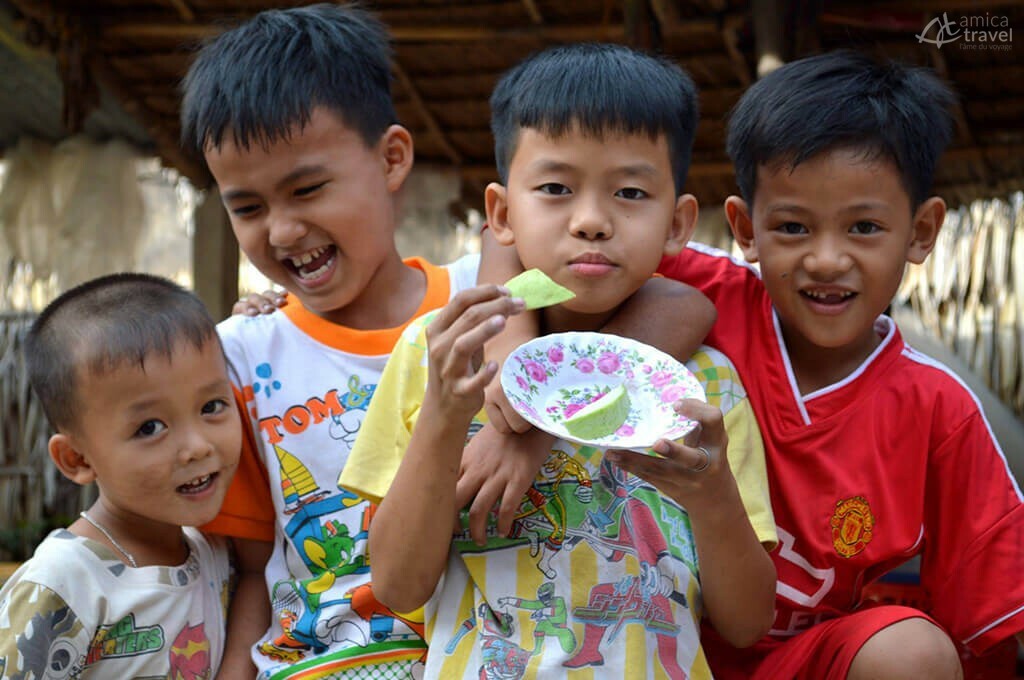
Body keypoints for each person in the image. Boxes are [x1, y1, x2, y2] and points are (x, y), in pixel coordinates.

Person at [180, 5, 716, 678]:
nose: (283, 231)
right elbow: (251, 567)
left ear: (393, 158)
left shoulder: (477, 299)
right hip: (320, 661)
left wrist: (530, 422)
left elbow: (679, 303)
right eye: (248, 208)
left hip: (476, 649)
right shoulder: (240, 353)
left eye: (308, 188)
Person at [339, 43, 777, 678]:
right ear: (501, 213)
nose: (592, 220)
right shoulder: (440, 354)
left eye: (630, 191)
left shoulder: (703, 388)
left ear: (679, 223)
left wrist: (712, 498)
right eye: (555, 188)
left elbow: (746, 623)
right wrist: (444, 415)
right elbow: (399, 586)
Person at [653, 51, 1024, 679]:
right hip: (629, 636)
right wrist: (518, 427)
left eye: (864, 227)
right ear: (746, 228)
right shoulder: (703, 292)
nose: (827, 259)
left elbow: (992, 622)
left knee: (911, 653)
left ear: (922, 231)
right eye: (794, 227)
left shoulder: (938, 410)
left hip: (796, 665)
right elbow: (543, 260)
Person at [0, 273, 239, 679]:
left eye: (212, 405)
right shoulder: (64, 581)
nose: (198, 446)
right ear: (76, 458)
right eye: (150, 428)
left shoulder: (217, 555)